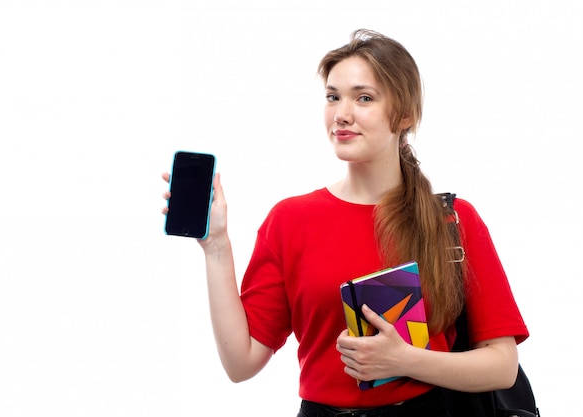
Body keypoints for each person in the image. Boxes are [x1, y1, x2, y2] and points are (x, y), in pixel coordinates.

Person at [162, 29, 529, 417]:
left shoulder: (452, 220)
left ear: (404, 115)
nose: (342, 114)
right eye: (333, 97)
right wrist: (215, 245)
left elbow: (502, 366)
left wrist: (404, 361)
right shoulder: (290, 220)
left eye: (364, 98)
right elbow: (241, 363)